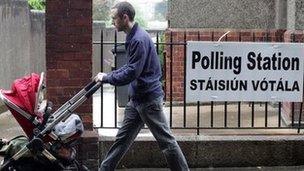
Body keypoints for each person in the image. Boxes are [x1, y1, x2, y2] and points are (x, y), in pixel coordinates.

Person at [94, 2, 189, 171]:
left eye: (114, 18)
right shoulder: (134, 36)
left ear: (125, 17)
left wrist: (108, 77)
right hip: (137, 100)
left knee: (166, 142)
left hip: (148, 100)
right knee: (121, 141)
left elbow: (132, 72)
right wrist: (108, 76)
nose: (112, 22)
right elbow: (130, 67)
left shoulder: (138, 39)